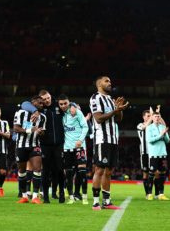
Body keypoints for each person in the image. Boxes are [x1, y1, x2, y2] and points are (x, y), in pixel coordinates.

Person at [90, 76, 129, 210]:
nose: (110, 83)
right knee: (99, 169)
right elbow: (98, 118)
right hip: (102, 139)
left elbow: (118, 119)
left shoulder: (110, 99)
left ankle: (107, 202)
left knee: (109, 171)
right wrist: (114, 110)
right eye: (106, 81)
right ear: (99, 84)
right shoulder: (95, 98)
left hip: (113, 139)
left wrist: (119, 109)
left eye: (110, 81)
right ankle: (95, 202)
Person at [22, 90, 65, 203]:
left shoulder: (58, 105)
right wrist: (35, 110)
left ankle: (61, 194)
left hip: (59, 144)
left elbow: (68, 103)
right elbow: (24, 104)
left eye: (48, 97)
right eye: (44, 99)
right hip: (45, 144)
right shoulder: (39, 109)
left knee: (60, 170)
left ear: (51, 96)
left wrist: (75, 106)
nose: (46, 100)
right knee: (45, 171)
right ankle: (45, 196)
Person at [14, 96, 46, 204]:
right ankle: (24, 196)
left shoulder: (43, 117)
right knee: (22, 172)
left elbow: (43, 132)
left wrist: (41, 132)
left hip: (35, 145)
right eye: (40, 103)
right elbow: (16, 128)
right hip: (21, 145)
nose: (42, 105)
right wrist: (29, 130)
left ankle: (35, 197)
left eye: (43, 103)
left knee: (37, 169)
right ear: (33, 102)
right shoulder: (21, 113)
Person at [58, 95, 89, 205]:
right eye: (61, 104)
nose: (63, 106)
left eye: (65, 103)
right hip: (67, 148)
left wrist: (80, 140)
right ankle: (71, 197)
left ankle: (84, 197)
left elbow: (85, 127)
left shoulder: (76, 112)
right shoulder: (61, 115)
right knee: (69, 174)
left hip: (79, 147)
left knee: (82, 173)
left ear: (69, 102)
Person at [146, 112, 170, 201]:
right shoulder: (149, 128)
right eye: (155, 116)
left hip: (162, 153)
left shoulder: (163, 127)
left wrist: (164, 135)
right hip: (154, 154)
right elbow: (150, 140)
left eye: (158, 116)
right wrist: (160, 135)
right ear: (152, 117)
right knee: (152, 173)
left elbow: (168, 141)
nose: (157, 118)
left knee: (162, 174)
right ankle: (149, 194)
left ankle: (161, 194)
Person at [137, 110, 152, 199]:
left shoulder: (153, 126)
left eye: (150, 115)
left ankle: (155, 193)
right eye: (147, 116)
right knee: (145, 173)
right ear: (143, 117)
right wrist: (152, 117)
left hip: (153, 152)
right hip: (144, 153)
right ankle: (147, 193)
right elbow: (143, 127)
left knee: (155, 173)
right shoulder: (140, 125)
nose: (149, 117)